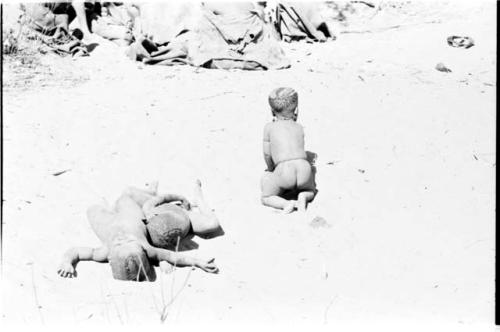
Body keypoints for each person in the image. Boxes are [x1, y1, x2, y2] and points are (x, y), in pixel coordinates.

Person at [57, 181, 219, 281]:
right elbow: (171, 255)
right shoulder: (145, 247)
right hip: (134, 208)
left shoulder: (105, 252)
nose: (122, 239)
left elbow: (77, 252)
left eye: (121, 243)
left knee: (95, 207)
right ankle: (197, 200)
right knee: (211, 224)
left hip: (127, 203)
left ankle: (150, 192)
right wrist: (198, 262)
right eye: (126, 242)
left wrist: (66, 261)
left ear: (112, 256)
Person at [261, 87, 316, 213]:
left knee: (267, 196)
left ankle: (286, 204)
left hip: (284, 171)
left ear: (271, 111)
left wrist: (271, 169)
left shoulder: (269, 127)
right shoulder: (299, 127)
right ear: (296, 109)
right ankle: (304, 196)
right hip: (304, 168)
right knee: (311, 189)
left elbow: (267, 154)